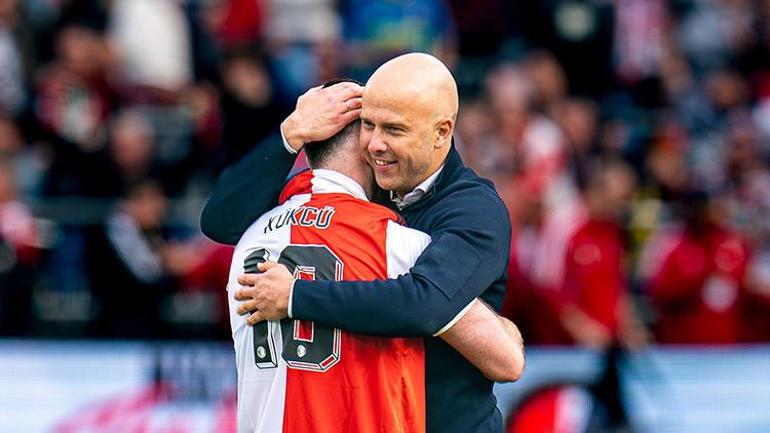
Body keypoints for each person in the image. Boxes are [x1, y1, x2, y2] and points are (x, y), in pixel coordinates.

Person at [202, 53, 514, 432]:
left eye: (394, 129)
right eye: (368, 125)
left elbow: (427, 304)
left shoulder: (474, 210)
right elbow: (221, 222)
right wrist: (290, 133)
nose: (375, 145)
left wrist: (296, 296)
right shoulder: (367, 194)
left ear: (441, 132)